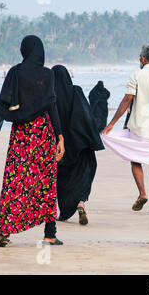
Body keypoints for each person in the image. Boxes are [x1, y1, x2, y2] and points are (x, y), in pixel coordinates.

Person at [0, 35, 65, 247]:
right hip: (42, 133)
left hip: (21, 135)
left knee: (14, 180)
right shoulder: (47, 74)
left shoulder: (15, 73)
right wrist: (60, 136)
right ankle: (49, 234)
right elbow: (51, 105)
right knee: (46, 182)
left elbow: (5, 102)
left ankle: (4, 233)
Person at [103, 44, 149, 214]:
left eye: (141, 56)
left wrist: (112, 123)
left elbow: (127, 100)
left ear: (143, 58)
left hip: (139, 125)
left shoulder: (137, 75)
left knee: (135, 158)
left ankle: (142, 193)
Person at [52, 65, 105, 225]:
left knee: (62, 179)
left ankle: (64, 212)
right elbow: (86, 115)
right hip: (81, 143)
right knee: (85, 172)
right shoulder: (76, 91)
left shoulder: (51, 95)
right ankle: (81, 202)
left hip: (61, 146)